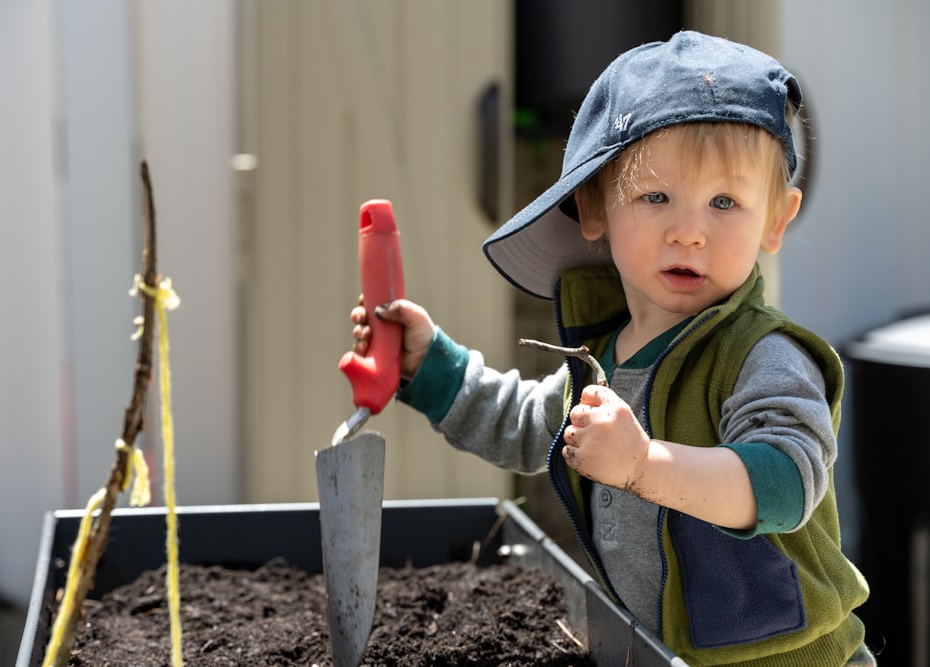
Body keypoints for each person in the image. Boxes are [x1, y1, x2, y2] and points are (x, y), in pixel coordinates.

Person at [348, 31, 873, 666]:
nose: (689, 232)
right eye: (657, 197)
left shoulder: (763, 355)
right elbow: (523, 424)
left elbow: (785, 484)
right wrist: (430, 367)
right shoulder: (606, 355)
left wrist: (645, 465)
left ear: (775, 220)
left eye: (725, 202)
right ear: (593, 206)